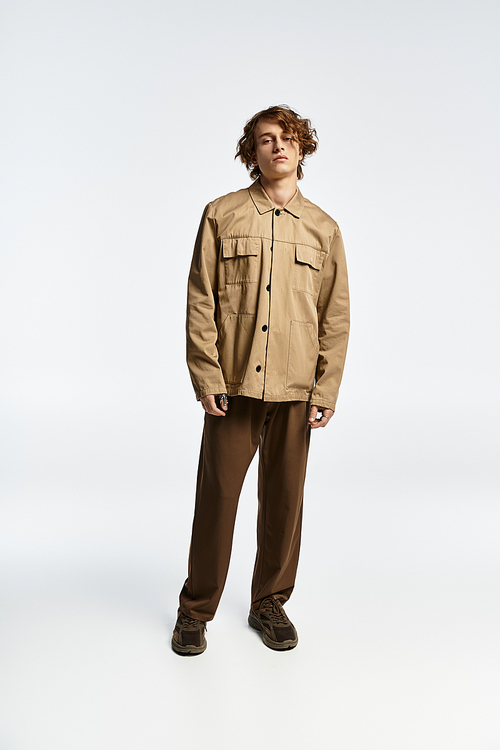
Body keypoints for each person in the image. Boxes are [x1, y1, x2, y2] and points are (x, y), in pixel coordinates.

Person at [172, 105, 350, 655]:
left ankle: (268, 603)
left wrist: (326, 389)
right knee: (217, 500)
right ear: (251, 152)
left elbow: (335, 315)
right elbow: (201, 299)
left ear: (302, 148)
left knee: (284, 502)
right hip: (234, 388)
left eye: (288, 138)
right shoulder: (222, 215)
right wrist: (206, 373)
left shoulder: (323, 229)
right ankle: (195, 610)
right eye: (266, 140)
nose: (278, 147)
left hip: (298, 390)